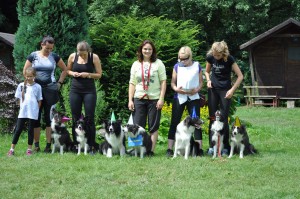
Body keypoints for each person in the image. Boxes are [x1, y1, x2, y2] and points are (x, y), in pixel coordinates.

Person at [23, 35, 68, 153]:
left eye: (51, 48)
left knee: (49, 119)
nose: (49, 51)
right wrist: (30, 84)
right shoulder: (33, 56)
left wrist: (59, 83)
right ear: (42, 45)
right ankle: (36, 145)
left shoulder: (54, 57)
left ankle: (48, 145)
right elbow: (25, 71)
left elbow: (65, 69)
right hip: (35, 90)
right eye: (47, 48)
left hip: (50, 89)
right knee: (35, 118)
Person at [128, 39, 167, 156]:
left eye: (150, 49)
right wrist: (130, 100)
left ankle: (150, 151)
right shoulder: (135, 64)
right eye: (145, 49)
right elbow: (132, 83)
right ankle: (136, 150)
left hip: (154, 99)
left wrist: (161, 98)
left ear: (153, 50)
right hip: (139, 98)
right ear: (141, 50)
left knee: (153, 127)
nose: (147, 51)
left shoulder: (158, 63)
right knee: (136, 126)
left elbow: (163, 82)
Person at [205, 41, 243, 156]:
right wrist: (208, 80)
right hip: (213, 90)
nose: (216, 57)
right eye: (214, 55)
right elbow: (206, 72)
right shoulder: (210, 57)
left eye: (218, 55)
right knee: (212, 117)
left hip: (225, 91)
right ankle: (212, 147)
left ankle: (225, 147)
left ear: (223, 53)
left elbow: (240, 76)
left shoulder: (229, 59)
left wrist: (232, 90)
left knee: (223, 118)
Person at [166, 46, 204, 157]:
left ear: (190, 56)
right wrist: (176, 89)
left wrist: (197, 89)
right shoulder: (177, 66)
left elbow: (201, 82)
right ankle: (169, 149)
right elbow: (173, 83)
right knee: (174, 121)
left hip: (193, 97)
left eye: (185, 58)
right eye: (180, 58)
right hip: (180, 97)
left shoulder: (197, 66)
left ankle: (199, 149)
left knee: (196, 122)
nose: (183, 61)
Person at [67, 41, 102, 154]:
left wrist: (88, 75)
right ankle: (76, 145)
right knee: (75, 118)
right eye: (80, 54)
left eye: (84, 54)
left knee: (89, 118)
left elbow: (99, 74)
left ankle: (91, 146)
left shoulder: (94, 57)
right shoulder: (72, 56)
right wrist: (73, 74)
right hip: (75, 90)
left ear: (88, 51)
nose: (82, 56)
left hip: (89, 91)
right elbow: (67, 70)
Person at [7, 67, 43, 156]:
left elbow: (39, 100)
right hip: (23, 112)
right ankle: (12, 149)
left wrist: (37, 110)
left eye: (30, 76)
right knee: (18, 129)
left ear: (34, 76)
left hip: (33, 112)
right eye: (27, 76)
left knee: (31, 130)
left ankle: (29, 149)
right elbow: (19, 98)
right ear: (25, 76)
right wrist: (21, 107)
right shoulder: (21, 85)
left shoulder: (38, 87)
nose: (28, 78)